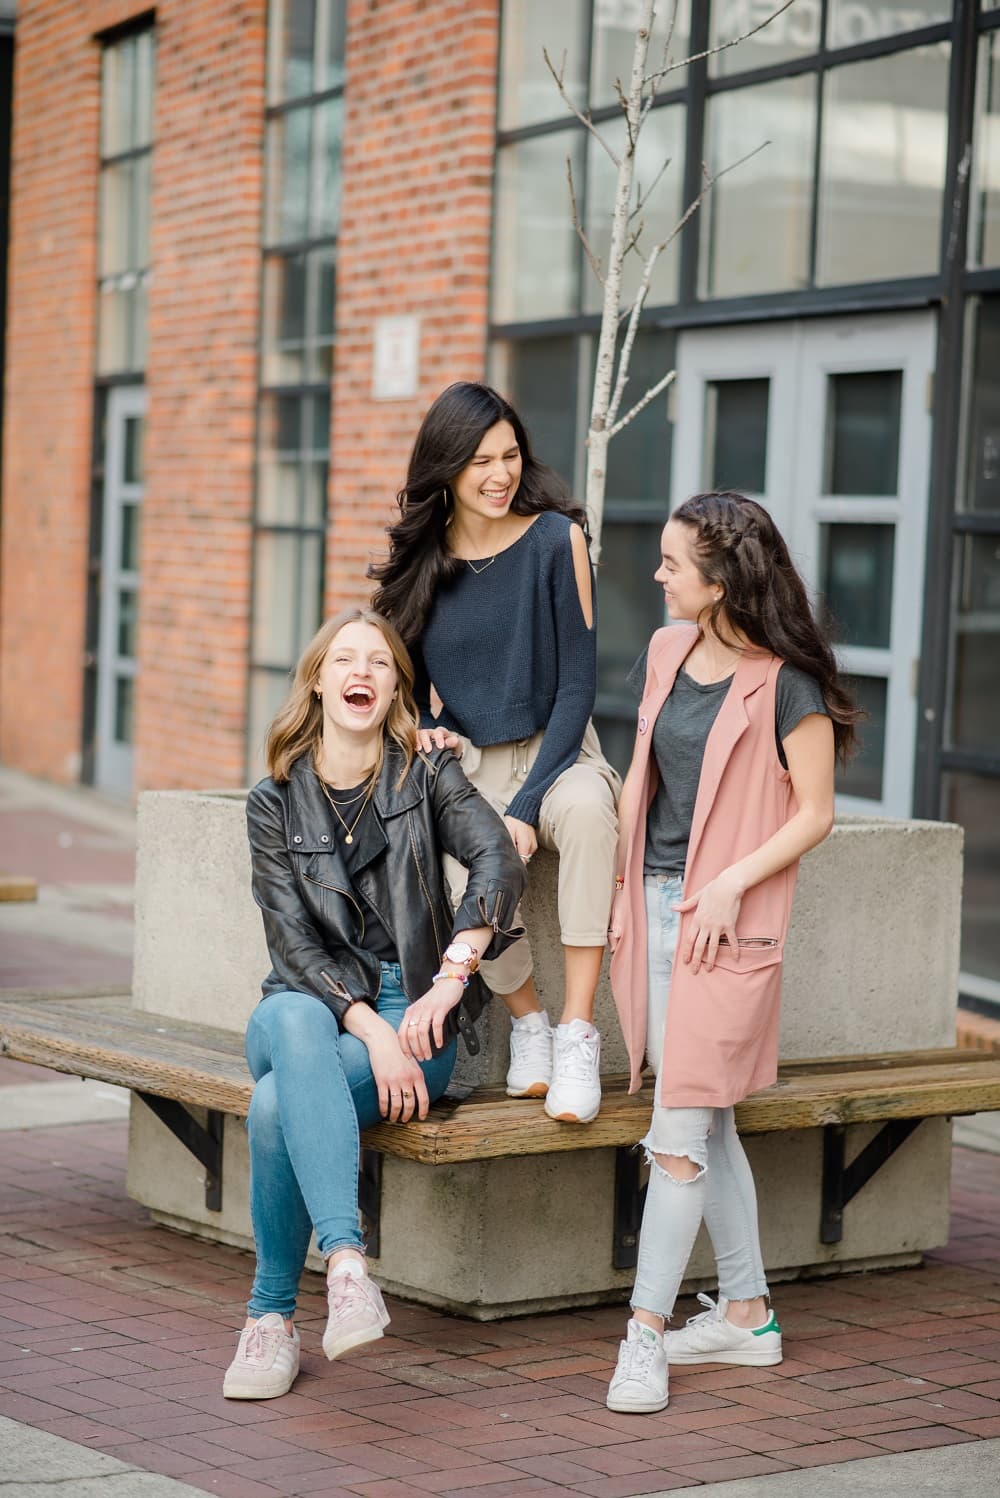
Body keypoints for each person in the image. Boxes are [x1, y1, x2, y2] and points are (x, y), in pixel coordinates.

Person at [223, 606, 524, 1401]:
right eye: (344, 659)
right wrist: (372, 1032)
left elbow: (495, 856)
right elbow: (291, 944)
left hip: (416, 1010)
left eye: (379, 662)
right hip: (309, 1001)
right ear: (318, 681)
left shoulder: (428, 772)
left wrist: (453, 974)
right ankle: (349, 1264)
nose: (360, 671)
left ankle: (271, 1320)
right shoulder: (273, 801)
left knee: (273, 1108)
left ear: (397, 688)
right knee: (292, 1020)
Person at [604, 491, 859, 1414]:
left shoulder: (787, 680)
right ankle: (747, 1313)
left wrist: (728, 881)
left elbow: (817, 814)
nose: (659, 574)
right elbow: (646, 778)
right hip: (657, 913)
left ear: (720, 582)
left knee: (675, 1138)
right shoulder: (667, 652)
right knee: (707, 1123)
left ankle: (643, 1336)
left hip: (724, 929)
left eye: (674, 564)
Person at [370, 382, 620, 1124]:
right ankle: (529, 1023)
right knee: (457, 869)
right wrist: (421, 726)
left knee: (587, 818)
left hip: (561, 750)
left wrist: (527, 803)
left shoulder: (556, 541)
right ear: (446, 468)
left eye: (510, 456)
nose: (500, 474)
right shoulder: (425, 562)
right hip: (470, 762)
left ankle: (577, 1031)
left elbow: (578, 687)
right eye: (481, 460)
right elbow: (399, 676)